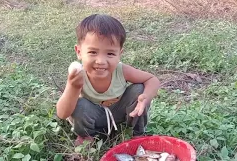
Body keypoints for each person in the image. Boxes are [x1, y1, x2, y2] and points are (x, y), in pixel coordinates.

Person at [56, 14, 160, 146]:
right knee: (80, 104)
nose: (101, 61)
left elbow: (152, 79)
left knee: (139, 89)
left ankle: (138, 135)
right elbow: (62, 113)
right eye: (93, 52)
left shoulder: (121, 70)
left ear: (119, 54)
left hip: (117, 115)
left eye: (110, 53)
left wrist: (146, 96)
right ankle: (86, 137)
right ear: (79, 52)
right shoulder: (78, 75)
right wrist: (73, 87)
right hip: (92, 119)